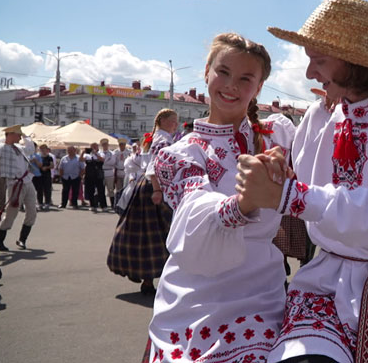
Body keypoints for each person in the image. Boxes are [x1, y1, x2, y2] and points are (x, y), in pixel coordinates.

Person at [246, 0, 368, 363]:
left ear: (353, 62)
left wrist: (291, 195)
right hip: (323, 278)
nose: (309, 73)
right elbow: (299, 179)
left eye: (318, 60)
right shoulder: (321, 117)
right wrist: (278, 168)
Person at [143, 33, 294, 363]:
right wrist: (245, 201)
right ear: (207, 71)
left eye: (245, 78)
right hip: (199, 291)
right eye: (223, 72)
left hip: (263, 289)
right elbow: (195, 209)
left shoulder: (278, 134)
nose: (232, 86)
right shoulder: (181, 152)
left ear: (259, 86)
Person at [107, 109, 177, 296]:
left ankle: (144, 276)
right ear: (161, 121)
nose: (175, 125)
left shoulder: (159, 137)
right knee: (158, 236)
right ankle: (148, 277)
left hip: (149, 188)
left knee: (147, 236)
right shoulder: (162, 139)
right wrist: (157, 190)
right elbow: (154, 167)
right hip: (153, 189)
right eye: (172, 121)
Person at [0, 125, 38, 251]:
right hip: (14, 184)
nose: (20, 137)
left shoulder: (19, 147)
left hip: (28, 181)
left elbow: (31, 148)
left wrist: (25, 135)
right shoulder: (1, 148)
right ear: (11, 134)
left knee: (32, 212)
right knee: (11, 214)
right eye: (18, 134)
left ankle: (22, 240)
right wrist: (0, 140)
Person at [97, 138, 117, 209]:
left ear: (108, 145)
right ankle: (103, 204)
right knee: (101, 189)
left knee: (110, 189)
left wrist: (103, 161)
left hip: (109, 172)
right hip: (101, 172)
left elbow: (112, 162)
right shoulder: (99, 153)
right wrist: (104, 161)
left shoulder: (112, 153)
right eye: (103, 145)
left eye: (106, 144)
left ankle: (113, 204)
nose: (105, 146)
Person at [112, 138, 131, 207]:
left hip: (126, 172)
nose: (121, 146)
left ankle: (125, 203)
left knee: (126, 188)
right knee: (118, 188)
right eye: (120, 144)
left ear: (125, 145)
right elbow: (113, 162)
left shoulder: (129, 152)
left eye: (123, 144)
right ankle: (118, 203)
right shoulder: (116, 152)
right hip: (118, 171)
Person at [35, 144, 54, 210]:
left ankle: (47, 203)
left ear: (47, 149)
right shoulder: (38, 157)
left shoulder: (49, 157)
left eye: (44, 148)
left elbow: (52, 165)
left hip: (47, 175)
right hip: (39, 175)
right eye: (41, 149)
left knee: (47, 190)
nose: (43, 150)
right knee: (39, 190)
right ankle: (40, 203)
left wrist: (47, 167)